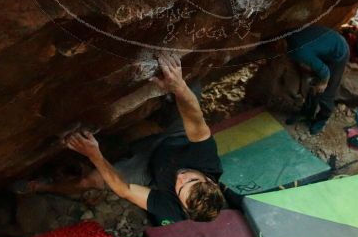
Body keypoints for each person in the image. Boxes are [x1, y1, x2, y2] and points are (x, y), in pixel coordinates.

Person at [19, 55, 225, 225]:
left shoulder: (172, 209)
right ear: (209, 180)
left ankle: (40, 187)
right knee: (191, 81)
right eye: (191, 179)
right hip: (177, 138)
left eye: (180, 188)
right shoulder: (206, 162)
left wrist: (94, 154)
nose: (180, 178)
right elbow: (196, 121)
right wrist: (178, 86)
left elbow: (124, 190)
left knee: (90, 181)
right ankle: (168, 97)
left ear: (182, 206)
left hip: (150, 169)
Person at [286, 26, 350, 134]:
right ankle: (306, 113)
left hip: (339, 52)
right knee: (313, 85)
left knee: (326, 93)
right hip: (325, 49)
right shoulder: (288, 39)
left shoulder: (299, 50)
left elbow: (325, 71)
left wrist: (324, 83)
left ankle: (322, 119)